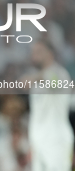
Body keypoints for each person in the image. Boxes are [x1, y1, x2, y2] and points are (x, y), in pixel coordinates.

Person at [27, 41, 73, 171]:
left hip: (56, 140)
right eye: (33, 52)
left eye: (39, 51)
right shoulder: (36, 81)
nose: (34, 55)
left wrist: (34, 77)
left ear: (50, 54)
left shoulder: (60, 74)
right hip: (39, 141)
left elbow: (52, 80)